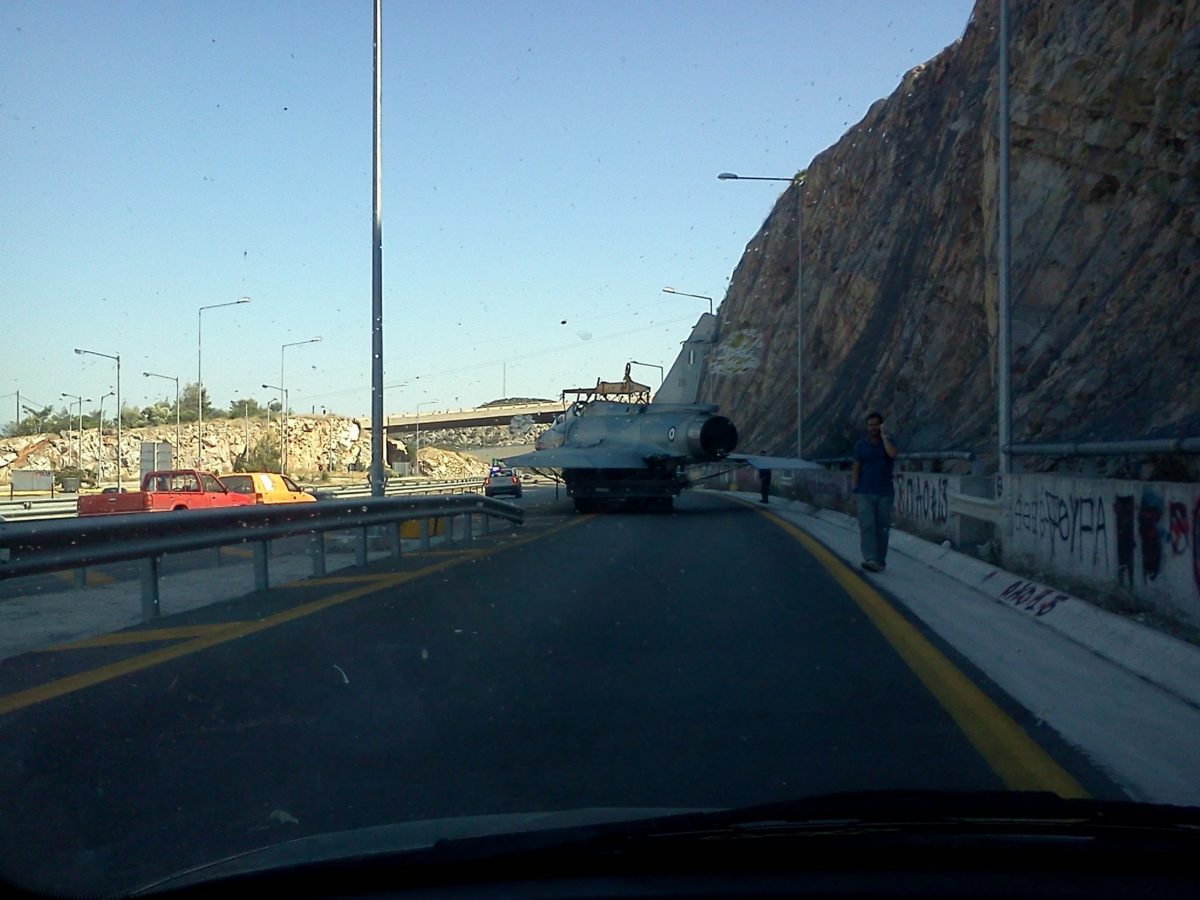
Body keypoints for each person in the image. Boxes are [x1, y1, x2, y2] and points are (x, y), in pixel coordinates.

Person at [851, 411, 898, 572]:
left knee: (882, 528)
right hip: (864, 491)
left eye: (876, 425)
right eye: (870, 425)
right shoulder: (860, 446)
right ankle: (870, 558)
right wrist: (855, 488)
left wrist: (884, 437)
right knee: (867, 525)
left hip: (885, 492)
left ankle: (880, 561)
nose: (873, 428)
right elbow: (856, 467)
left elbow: (892, 454)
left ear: (881, 426)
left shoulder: (889, 442)